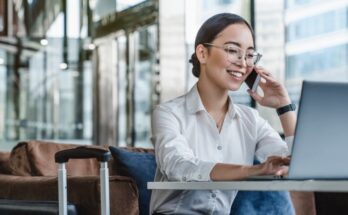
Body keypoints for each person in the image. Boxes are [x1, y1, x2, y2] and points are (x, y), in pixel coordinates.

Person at [150, 13, 296, 215]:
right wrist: (252, 171)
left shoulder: (250, 120)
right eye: (232, 50)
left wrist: (284, 106)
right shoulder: (168, 113)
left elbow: (295, 164)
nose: (243, 63)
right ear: (202, 53)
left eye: (249, 54)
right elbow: (179, 167)